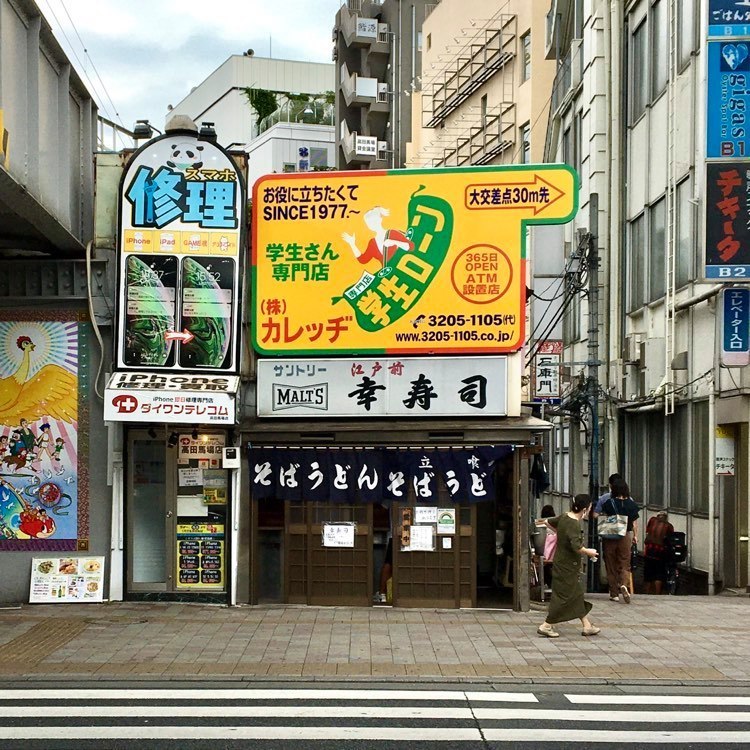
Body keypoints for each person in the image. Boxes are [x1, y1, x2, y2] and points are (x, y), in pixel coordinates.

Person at [537, 494, 601, 638]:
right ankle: (546, 625)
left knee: (575, 594)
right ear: (585, 509)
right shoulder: (574, 524)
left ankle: (587, 625)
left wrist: (560, 535)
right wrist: (589, 552)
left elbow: (547, 522)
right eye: (590, 507)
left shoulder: (565, 517)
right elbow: (577, 547)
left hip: (562, 563)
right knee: (563, 597)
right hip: (568, 565)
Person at [601, 478, 640, 603]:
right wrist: (635, 536)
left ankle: (614, 593)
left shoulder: (609, 503)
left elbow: (603, 515)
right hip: (625, 536)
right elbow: (634, 523)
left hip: (610, 536)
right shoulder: (631, 505)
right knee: (624, 563)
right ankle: (623, 584)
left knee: (610, 564)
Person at [643, 510, 675, 595]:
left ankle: (646, 593)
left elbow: (647, 531)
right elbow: (670, 539)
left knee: (648, 574)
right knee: (659, 573)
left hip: (649, 551)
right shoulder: (669, 526)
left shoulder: (652, 520)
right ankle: (657, 594)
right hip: (660, 553)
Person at [540, 504, 556, 587]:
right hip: (555, 553)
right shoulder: (556, 523)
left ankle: (547, 583)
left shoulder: (539, 524)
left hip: (544, 553)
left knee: (544, 567)